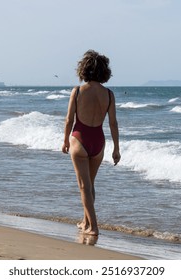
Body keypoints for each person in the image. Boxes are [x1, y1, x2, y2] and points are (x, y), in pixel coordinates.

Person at [62, 50, 121, 236]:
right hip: (99, 142)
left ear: (84, 69)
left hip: (80, 139)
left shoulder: (78, 91)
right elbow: (113, 123)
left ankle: (93, 227)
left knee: (83, 186)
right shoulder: (109, 95)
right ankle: (84, 222)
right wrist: (116, 149)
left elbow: (69, 120)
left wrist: (65, 141)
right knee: (90, 185)